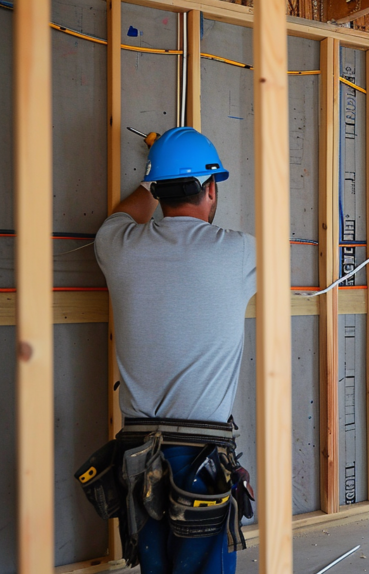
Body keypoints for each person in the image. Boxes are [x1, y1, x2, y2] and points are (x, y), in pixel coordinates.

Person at [81, 127, 255, 574]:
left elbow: (123, 213)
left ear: (157, 191)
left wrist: (150, 176)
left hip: (139, 460)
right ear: (212, 188)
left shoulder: (116, 246)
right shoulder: (238, 252)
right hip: (201, 459)